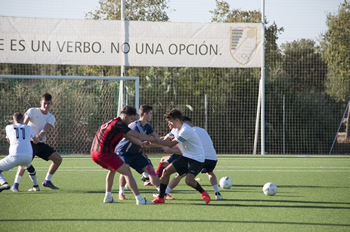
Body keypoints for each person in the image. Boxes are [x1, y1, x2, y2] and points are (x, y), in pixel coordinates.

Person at [90, 106, 158, 205]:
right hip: (105, 153)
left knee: (112, 170)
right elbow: (136, 135)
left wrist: (142, 144)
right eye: (130, 119)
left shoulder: (113, 122)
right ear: (125, 116)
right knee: (127, 173)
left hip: (94, 153)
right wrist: (153, 139)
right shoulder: (119, 124)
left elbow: (128, 137)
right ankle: (139, 199)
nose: (131, 122)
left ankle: (108, 196)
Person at [155, 116, 223, 200]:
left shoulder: (188, 131)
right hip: (213, 159)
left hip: (199, 158)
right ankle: (217, 193)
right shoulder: (202, 130)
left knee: (180, 174)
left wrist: (158, 144)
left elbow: (174, 144)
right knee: (210, 173)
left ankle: (166, 193)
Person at [151, 109, 211, 204]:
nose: (169, 124)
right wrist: (149, 143)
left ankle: (203, 192)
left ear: (177, 120)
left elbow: (171, 144)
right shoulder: (175, 129)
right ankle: (161, 197)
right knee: (166, 171)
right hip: (186, 156)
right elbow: (164, 139)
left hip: (197, 158)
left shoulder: (186, 130)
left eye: (170, 122)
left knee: (189, 181)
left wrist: (155, 143)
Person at [11, 92, 62, 192]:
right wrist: (28, 138)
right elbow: (24, 125)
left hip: (40, 144)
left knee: (58, 159)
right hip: (29, 143)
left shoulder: (51, 117)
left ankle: (47, 181)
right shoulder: (32, 111)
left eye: (48, 103)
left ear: (51, 103)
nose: (46, 105)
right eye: (45, 103)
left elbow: (44, 130)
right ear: (41, 102)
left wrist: (39, 137)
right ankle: (15, 185)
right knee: (24, 163)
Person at [115, 105, 162, 200]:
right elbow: (138, 138)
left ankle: (162, 193)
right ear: (145, 114)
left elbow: (156, 137)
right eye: (151, 114)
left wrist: (170, 138)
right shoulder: (134, 125)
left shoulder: (148, 126)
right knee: (125, 170)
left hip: (136, 153)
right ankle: (121, 192)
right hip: (123, 152)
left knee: (151, 170)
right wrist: (147, 142)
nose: (152, 116)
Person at [0, 112, 39, 192]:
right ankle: (36, 186)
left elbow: (9, 141)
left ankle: (4, 183)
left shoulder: (8, 127)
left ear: (13, 121)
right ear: (22, 120)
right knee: (29, 166)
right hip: (28, 156)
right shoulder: (28, 128)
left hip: (15, 155)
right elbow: (35, 141)